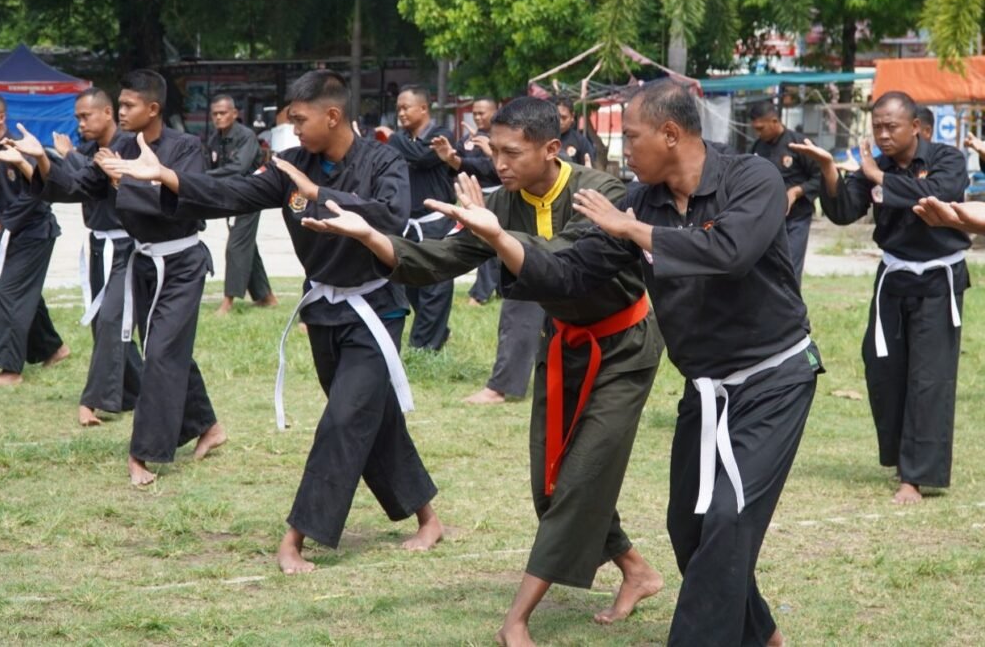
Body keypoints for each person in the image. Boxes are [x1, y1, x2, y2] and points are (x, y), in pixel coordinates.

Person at [423, 80, 820, 646]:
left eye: (631, 137)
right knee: (689, 528)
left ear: (670, 133)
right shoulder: (641, 202)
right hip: (705, 388)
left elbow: (730, 254)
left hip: (774, 379)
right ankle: (765, 640)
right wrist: (500, 238)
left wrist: (632, 229)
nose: (623, 149)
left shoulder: (751, 178)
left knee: (728, 519)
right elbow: (570, 273)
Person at [302, 96, 665, 644]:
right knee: (550, 485)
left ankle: (516, 619)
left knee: (580, 478)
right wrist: (369, 235)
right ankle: (636, 570)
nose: (499, 164)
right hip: (563, 345)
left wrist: (496, 234)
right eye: (493, 151)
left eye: (511, 153)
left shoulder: (601, 193)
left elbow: (563, 265)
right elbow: (439, 260)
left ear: (552, 148)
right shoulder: (502, 202)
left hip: (624, 349)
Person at [100, 69, 443, 573]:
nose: (294, 129)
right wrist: (168, 178)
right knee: (372, 416)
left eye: (300, 120)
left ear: (332, 115)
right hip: (323, 311)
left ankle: (297, 538)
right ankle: (429, 519)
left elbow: (391, 217)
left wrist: (319, 193)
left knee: (343, 419)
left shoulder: (383, 159)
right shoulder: (291, 164)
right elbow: (233, 193)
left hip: (375, 310)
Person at [26, 69, 226, 485]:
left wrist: (124, 180)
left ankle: (143, 454)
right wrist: (41, 162)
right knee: (161, 347)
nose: (121, 112)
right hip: (143, 262)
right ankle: (208, 426)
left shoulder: (186, 147)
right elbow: (80, 186)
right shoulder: (119, 146)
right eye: (119, 105)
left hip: (182, 263)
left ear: (153, 108)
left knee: (162, 353)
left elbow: (186, 204)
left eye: (128, 105)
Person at [792, 90, 969, 505]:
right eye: (877, 127)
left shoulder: (946, 158)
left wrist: (880, 178)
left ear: (915, 127)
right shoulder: (875, 166)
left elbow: (938, 193)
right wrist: (829, 170)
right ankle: (899, 456)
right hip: (893, 278)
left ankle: (915, 477)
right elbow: (843, 211)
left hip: (938, 282)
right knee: (883, 367)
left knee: (929, 376)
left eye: (891, 127)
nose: (883, 135)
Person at [49, 87, 143, 426]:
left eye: (86, 116)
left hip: (127, 246)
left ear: (107, 112)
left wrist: (68, 155)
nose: (80, 123)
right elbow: (76, 181)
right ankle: (138, 390)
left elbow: (98, 176)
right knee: (105, 320)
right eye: (77, 117)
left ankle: (94, 400)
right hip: (99, 244)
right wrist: (45, 161)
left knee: (112, 320)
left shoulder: (129, 146)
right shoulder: (87, 149)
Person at [0, 94, 69, 386]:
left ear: (1, 118)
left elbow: (36, 195)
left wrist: (2, 221)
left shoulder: (19, 148)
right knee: (24, 292)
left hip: (36, 231)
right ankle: (53, 349)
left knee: (8, 292)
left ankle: (10, 369)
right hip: (12, 231)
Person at [377, 84, 455, 351]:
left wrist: (393, 139)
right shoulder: (402, 139)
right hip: (408, 223)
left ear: (423, 108)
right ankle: (438, 331)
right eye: (398, 108)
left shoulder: (442, 135)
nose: (400, 113)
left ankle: (423, 347)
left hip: (436, 222)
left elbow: (422, 157)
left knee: (436, 284)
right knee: (411, 283)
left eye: (405, 107)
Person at [207, 94, 278, 315]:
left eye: (223, 113)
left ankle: (228, 301)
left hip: (250, 195)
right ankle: (266, 297)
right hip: (230, 196)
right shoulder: (215, 139)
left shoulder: (246, 136)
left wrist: (206, 176)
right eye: (215, 114)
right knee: (247, 246)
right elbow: (211, 164)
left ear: (234, 113)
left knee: (236, 246)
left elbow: (239, 168)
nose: (218, 117)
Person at [430, 97, 502, 307]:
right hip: (472, 197)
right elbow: (456, 164)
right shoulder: (467, 140)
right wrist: (452, 158)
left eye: (482, 113)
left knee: (491, 241)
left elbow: (494, 169)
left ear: (495, 111)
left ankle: (480, 294)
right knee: (481, 242)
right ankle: (494, 289)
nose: (478, 117)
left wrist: (491, 151)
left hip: (498, 195)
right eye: (475, 113)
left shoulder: (503, 138)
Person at [748, 101, 821, 285]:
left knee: (790, 270)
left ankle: (792, 303)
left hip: (796, 218)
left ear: (774, 121)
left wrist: (797, 191)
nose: (758, 133)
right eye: (755, 129)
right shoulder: (757, 148)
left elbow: (821, 177)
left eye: (761, 128)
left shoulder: (799, 144)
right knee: (767, 271)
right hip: (767, 219)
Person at [554, 96, 596, 167]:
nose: (560, 121)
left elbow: (588, 168)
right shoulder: (545, 138)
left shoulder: (581, 142)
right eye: (557, 117)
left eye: (564, 117)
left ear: (572, 116)